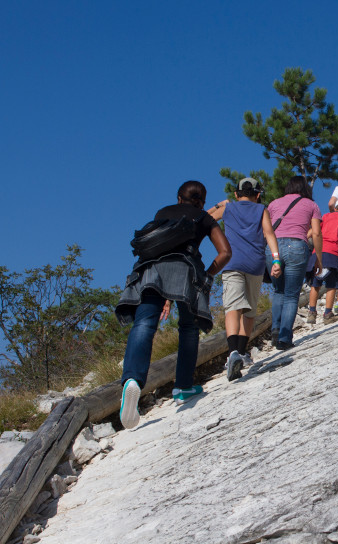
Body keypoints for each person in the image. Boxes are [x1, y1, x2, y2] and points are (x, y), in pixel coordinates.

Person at [116, 180, 232, 429]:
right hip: (186, 271)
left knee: (145, 324)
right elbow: (225, 252)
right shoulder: (204, 217)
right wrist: (208, 275)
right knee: (188, 328)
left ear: (179, 198)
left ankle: (132, 380)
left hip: (152, 271)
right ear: (202, 201)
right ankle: (183, 386)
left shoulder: (162, 213)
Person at [208, 178, 282, 381]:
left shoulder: (228, 209)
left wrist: (219, 205)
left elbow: (204, 219)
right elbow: (269, 234)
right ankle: (242, 352)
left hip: (231, 263)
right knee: (249, 310)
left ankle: (232, 353)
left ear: (235, 194)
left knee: (233, 306)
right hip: (255, 264)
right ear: (258, 195)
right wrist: (276, 260)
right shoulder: (261, 210)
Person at [266, 176, 323, 350]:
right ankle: (284, 337)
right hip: (297, 246)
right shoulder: (311, 205)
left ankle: (275, 328)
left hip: (273, 247)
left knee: (278, 290)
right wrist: (319, 259)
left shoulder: (274, 204)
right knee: (292, 295)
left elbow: (267, 228)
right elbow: (316, 233)